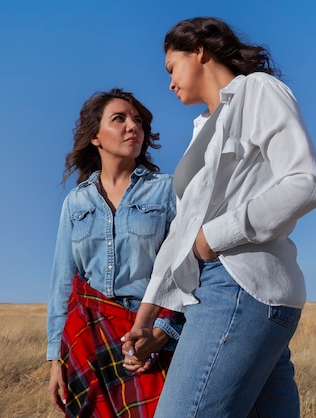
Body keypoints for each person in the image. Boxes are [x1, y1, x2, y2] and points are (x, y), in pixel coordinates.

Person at [121, 17, 316, 417]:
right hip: (228, 293)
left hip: (238, 286)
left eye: (171, 68)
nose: (169, 83)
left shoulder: (257, 91)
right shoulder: (203, 128)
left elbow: (304, 183)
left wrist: (212, 238)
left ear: (200, 51)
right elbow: (181, 231)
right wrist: (147, 313)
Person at [47, 88, 184, 417]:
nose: (132, 127)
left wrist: (161, 333)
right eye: (119, 119)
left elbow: (185, 269)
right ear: (95, 136)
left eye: (137, 120)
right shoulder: (76, 203)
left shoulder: (167, 190)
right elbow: (63, 282)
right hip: (89, 339)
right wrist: (56, 360)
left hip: (150, 333)